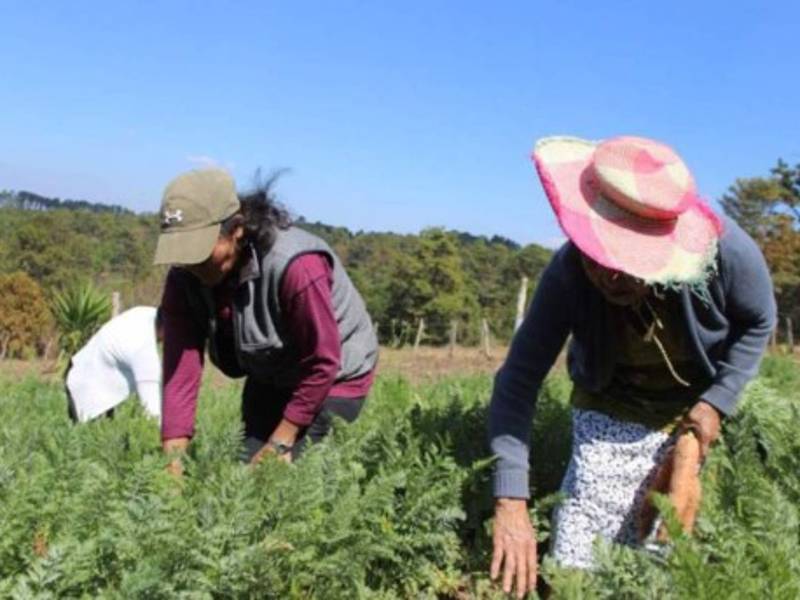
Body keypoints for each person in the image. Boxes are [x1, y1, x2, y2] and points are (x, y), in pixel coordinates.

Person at [488, 135, 776, 597]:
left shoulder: (727, 252)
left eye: (629, 261)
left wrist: (712, 409)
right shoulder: (567, 274)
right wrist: (511, 499)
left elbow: (759, 320)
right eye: (600, 257)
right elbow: (518, 381)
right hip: (613, 401)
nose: (611, 275)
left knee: (677, 549)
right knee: (578, 566)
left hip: (694, 400)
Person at [153, 169, 378, 470]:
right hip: (271, 374)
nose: (192, 264)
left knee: (291, 479)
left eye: (201, 250)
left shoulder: (295, 265)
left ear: (236, 229)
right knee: (242, 476)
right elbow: (180, 371)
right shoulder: (185, 277)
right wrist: (173, 462)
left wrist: (281, 442)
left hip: (335, 376)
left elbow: (323, 361)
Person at [65, 305, 163, 423]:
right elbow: (152, 414)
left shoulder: (148, 313)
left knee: (107, 430)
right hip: (85, 385)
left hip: (91, 369)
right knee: (87, 435)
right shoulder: (143, 350)